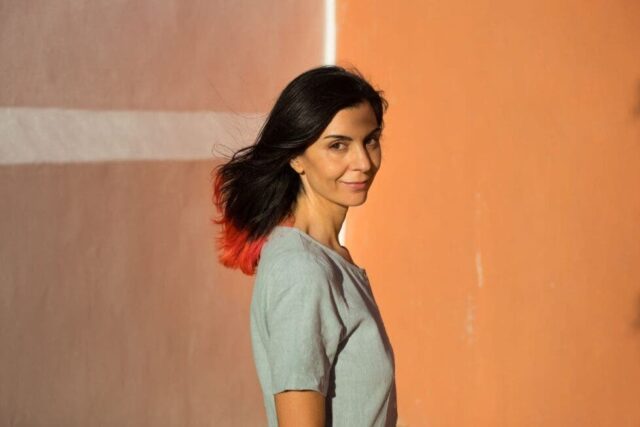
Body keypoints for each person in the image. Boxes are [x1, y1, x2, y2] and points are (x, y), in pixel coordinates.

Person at [211, 65, 398, 426]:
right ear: (296, 156)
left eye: (370, 140)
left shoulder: (328, 259)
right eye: (338, 145)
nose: (363, 162)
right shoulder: (302, 270)